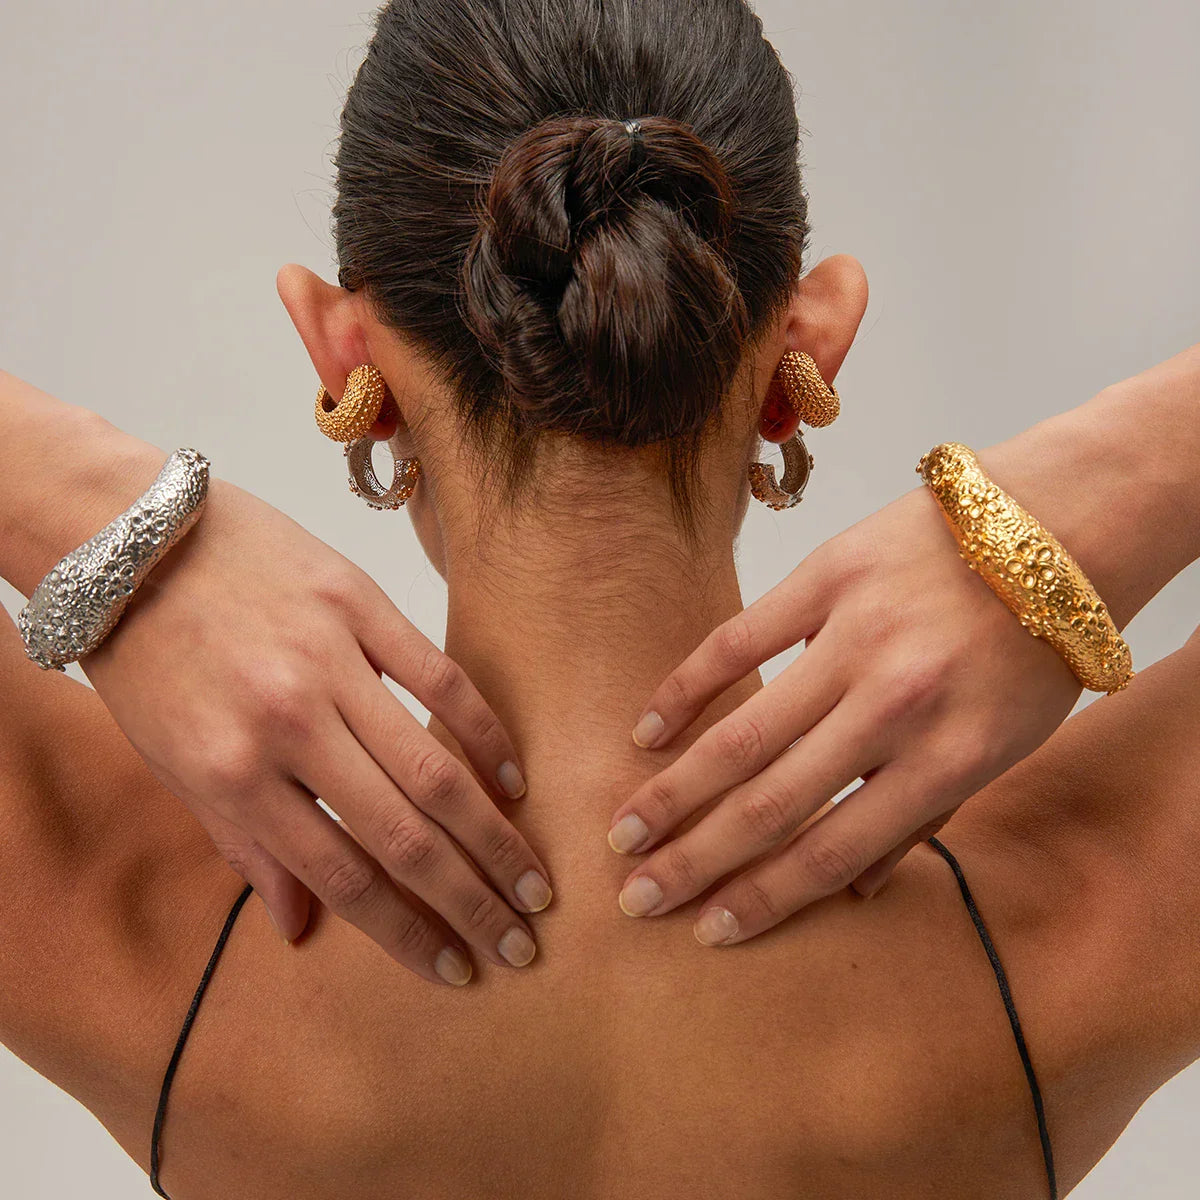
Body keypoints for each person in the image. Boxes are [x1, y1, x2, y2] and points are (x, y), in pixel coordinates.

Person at [2, 0, 1199, 1195]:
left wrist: (110, 525)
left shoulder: (147, 920)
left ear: (343, 357)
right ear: (808, 354)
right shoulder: (1055, 923)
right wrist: (1084, 507)